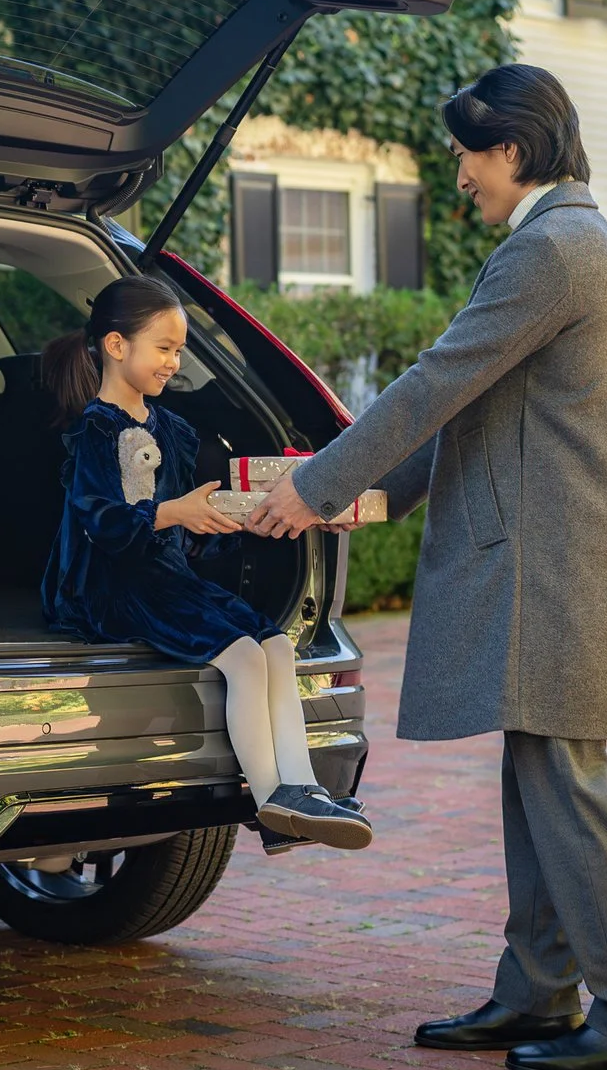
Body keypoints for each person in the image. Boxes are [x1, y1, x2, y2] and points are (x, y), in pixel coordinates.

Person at [245, 63, 607, 1070]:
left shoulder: (551, 249)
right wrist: (369, 494)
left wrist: (315, 484)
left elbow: (434, 381)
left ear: (512, 150)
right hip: (556, 551)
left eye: (464, 155)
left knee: (563, 784)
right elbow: (476, 399)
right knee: (539, 778)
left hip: (551, 558)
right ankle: (537, 987)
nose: (458, 176)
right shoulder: (576, 238)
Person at [41, 275, 372, 852]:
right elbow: (100, 522)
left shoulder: (173, 430)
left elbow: (189, 536)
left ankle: (302, 790)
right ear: (116, 346)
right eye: (164, 348)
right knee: (243, 657)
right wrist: (175, 512)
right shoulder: (94, 429)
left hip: (167, 579)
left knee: (276, 645)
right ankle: (272, 802)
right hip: (110, 587)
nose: (174, 362)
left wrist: (240, 522)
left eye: (179, 350)